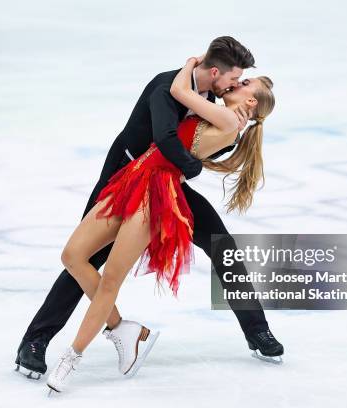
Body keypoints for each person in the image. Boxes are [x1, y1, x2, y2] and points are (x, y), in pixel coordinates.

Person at [15, 36, 282, 383]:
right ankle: (35, 341)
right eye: (237, 77)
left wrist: (226, 132)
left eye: (242, 82)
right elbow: (167, 139)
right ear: (216, 72)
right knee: (86, 258)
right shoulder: (165, 87)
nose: (236, 83)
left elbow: (203, 140)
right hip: (124, 178)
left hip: (167, 185)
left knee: (222, 245)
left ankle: (257, 331)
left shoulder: (214, 98)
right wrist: (194, 166)